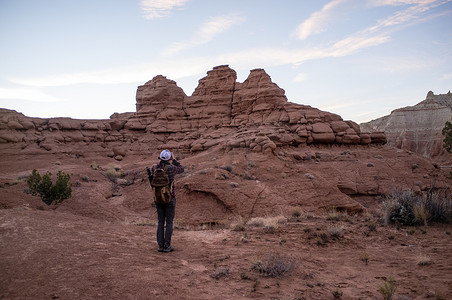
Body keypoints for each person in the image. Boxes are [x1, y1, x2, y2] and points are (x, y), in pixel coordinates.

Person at [146, 149, 184, 253]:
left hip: (158, 198)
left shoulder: (154, 168)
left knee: (160, 222)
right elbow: (181, 169)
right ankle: (167, 246)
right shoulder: (171, 168)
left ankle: (160, 245)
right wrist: (175, 160)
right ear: (169, 158)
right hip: (169, 198)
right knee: (169, 222)